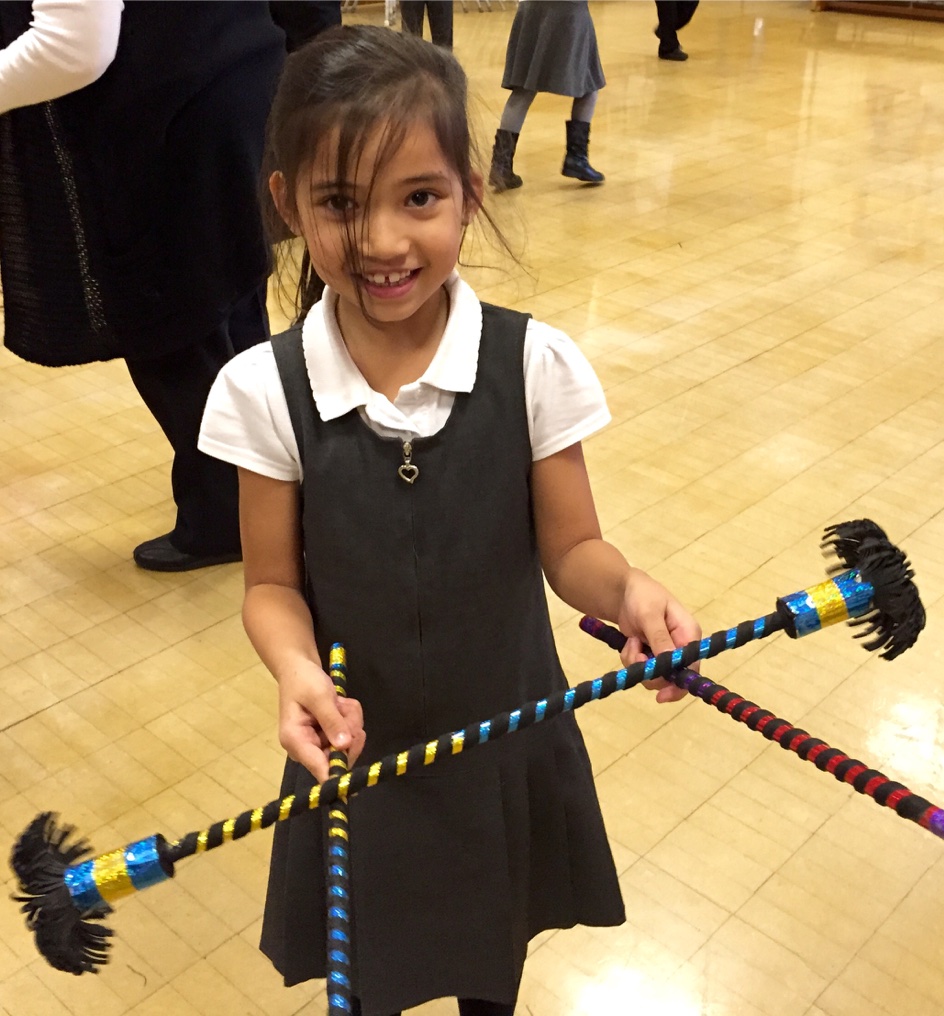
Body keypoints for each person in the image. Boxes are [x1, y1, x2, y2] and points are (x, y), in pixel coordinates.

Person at [199, 26, 699, 1016]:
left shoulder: (535, 363)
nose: (383, 242)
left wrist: (629, 588)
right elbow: (270, 586)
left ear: (467, 192)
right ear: (286, 202)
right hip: (358, 750)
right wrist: (298, 672)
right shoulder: (262, 388)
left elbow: (572, 549)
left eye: (418, 198)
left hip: (504, 739)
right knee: (369, 968)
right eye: (341, 204)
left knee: (489, 955)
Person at [0, 1, 333, 572]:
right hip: (235, 75)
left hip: (168, 112)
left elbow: (73, 48)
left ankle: (225, 518)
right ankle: (269, 481)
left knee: (170, 326)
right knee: (228, 303)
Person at [489, 0, 605, 193]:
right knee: (590, 83)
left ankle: (501, 166)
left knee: (524, 88)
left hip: (532, 9)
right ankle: (576, 158)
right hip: (569, 12)